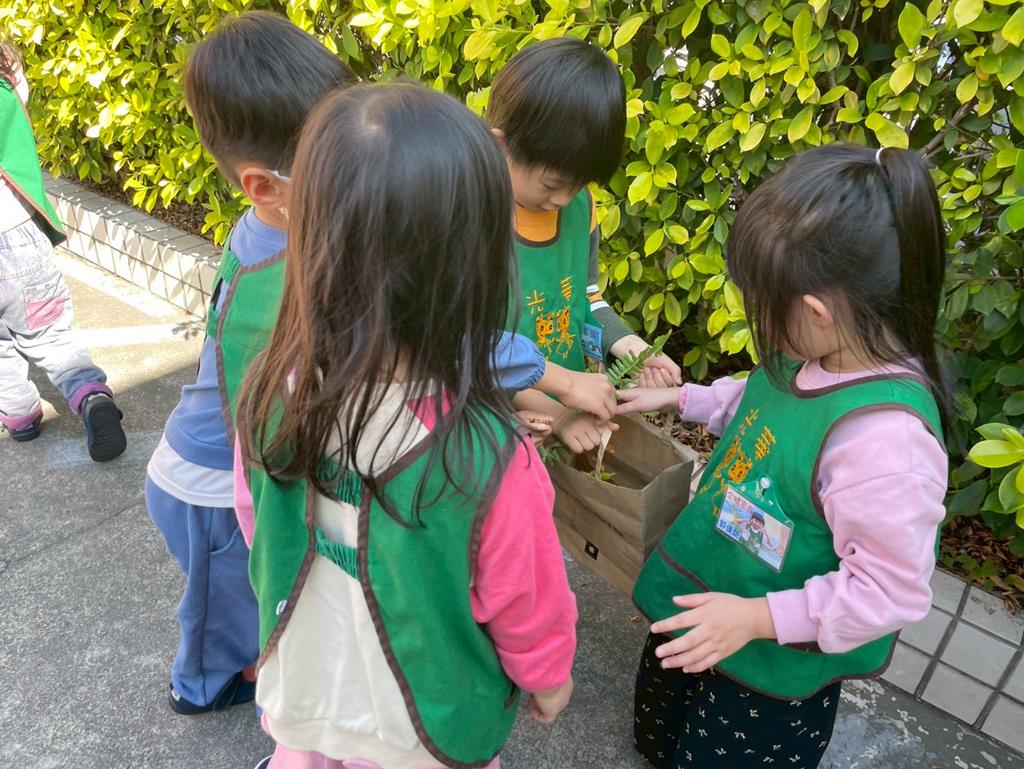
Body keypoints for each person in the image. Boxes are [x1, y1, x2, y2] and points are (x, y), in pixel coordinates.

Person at [234, 82, 577, 769]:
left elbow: (256, 520)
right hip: (425, 727)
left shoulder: (272, 388)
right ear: (472, 267)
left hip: (308, 691)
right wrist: (549, 681)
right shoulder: (487, 455)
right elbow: (526, 601)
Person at [618, 144, 951, 769]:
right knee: (667, 726)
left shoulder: (886, 443)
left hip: (772, 655)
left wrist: (756, 618)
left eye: (761, 302)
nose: (756, 318)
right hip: (720, 591)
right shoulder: (817, 354)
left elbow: (888, 591)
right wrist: (680, 399)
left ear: (816, 311)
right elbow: (759, 401)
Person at [486, 37, 682, 454]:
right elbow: (472, 348)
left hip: (573, 404)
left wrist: (631, 348)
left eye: (579, 184)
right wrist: (557, 415)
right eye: (552, 184)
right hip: (502, 418)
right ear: (500, 146)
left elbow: (586, 295)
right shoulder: (473, 220)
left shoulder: (579, 207)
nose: (563, 199)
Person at [0, 39, 126, 461]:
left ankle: (20, 416)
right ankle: (90, 394)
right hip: (20, 231)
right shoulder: (7, 77)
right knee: (50, 333)